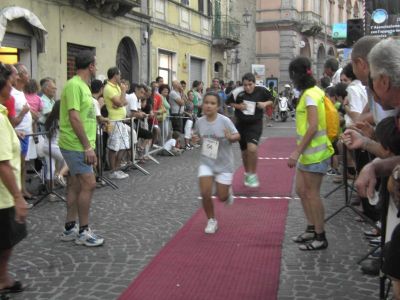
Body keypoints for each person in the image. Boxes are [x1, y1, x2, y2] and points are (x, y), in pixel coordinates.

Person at [287, 56, 334, 251]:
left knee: (313, 194)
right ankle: (311, 228)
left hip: (316, 153)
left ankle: (320, 236)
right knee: (301, 191)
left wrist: (297, 151)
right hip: (309, 153)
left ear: (296, 75)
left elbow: (313, 126)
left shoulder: (310, 95)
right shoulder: (312, 92)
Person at [59, 50, 104, 247]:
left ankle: (70, 228)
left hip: (79, 144)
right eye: (96, 64)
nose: (97, 67)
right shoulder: (74, 85)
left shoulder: (83, 86)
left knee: (76, 185)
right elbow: (74, 117)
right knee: (89, 184)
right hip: (76, 144)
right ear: (91, 66)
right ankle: (84, 231)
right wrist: (87, 146)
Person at [193, 91, 240, 234]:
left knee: (222, 197)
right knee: (205, 193)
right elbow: (198, 137)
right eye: (206, 103)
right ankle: (211, 220)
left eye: (212, 103)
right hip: (206, 162)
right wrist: (195, 140)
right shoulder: (199, 121)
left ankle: (227, 192)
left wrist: (230, 137)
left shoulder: (224, 120)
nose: (208, 106)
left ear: (218, 106)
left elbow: (237, 135)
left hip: (224, 164)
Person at [0, 63, 28, 299]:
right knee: (6, 239)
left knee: (7, 240)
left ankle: (3, 278)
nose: (13, 87)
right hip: (3, 194)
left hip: (6, 192)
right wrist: (18, 196)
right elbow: (2, 163)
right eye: (10, 82)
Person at [226, 73, 273, 188]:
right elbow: (228, 102)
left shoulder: (262, 91)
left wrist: (264, 104)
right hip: (241, 124)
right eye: (245, 85)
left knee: (252, 148)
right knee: (245, 152)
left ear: (254, 83)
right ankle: (247, 173)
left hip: (255, 123)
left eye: (250, 85)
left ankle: (253, 174)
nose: (247, 87)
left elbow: (272, 99)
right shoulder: (238, 92)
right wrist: (239, 106)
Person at [103, 67, 129, 180]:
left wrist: (120, 102)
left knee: (125, 145)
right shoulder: (109, 88)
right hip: (113, 121)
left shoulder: (117, 86)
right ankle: (112, 171)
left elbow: (125, 102)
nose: (121, 77)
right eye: (120, 75)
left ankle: (117, 169)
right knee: (114, 147)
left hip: (121, 120)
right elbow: (120, 102)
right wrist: (122, 94)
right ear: (115, 75)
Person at [42, 101, 68, 188]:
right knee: (69, 162)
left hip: (46, 146)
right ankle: (59, 175)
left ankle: (51, 193)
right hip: (55, 146)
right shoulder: (61, 120)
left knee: (51, 169)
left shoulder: (50, 119)